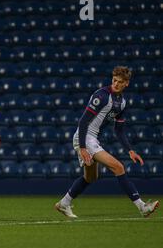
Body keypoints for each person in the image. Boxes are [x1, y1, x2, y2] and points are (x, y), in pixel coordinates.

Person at [55, 66, 159, 218]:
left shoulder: (122, 103)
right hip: (85, 137)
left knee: (91, 177)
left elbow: (119, 130)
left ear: (126, 84)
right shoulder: (102, 95)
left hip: (92, 139)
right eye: (114, 80)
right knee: (118, 167)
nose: (116, 84)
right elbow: (83, 121)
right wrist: (83, 147)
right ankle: (142, 207)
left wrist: (130, 150)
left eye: (120, 82)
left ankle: (63, 204)